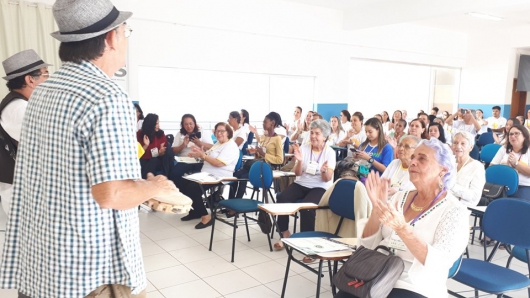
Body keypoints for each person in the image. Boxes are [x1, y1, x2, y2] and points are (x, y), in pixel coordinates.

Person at [0, 1, 182, 296]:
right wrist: (154, 186)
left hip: (43, 262)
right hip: (90, 271)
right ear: (111, 37)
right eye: (126, 31)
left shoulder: (45, 90)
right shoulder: (107, 97)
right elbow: (111, 194)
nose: (126, 38)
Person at [336, 138, 469, 298]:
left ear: (442, 170)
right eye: (413, 157)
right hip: (377, 274)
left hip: (415, 286)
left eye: (422, 158)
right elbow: (368, 245)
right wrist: (377, 207)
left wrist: (402, 228)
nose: (412, 162)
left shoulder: (455, 211)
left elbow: (439, 264)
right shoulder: (399, 197)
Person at [0, 50, 51, 217]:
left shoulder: (20, 105)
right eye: (45, 74)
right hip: (23, 193)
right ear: (30, 80)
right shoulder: (19, 109)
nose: (48, 80)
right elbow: (46, 144)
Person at [274, 119, 336, 250]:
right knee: (282, 198)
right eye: (312, 133)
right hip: (302, 183)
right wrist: (300, 161)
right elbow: (298, 173)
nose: (313, 136)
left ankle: (307, 242)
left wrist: (324, 171)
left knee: (306, 207)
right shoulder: (304, 148)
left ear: (324, 136)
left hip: (320, 187)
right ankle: (284, 233)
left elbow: (327, 179)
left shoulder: (330, 152)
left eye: (317, 133)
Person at [179, 122, 240, 228]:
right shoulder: (218, 144)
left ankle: (206, 217)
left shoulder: (231, 146)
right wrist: (199, 153)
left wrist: (203, 155)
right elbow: (207, 156)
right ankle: (196, 211)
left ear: (228, 132)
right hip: (207, 174)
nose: (219, 133)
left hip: (219, 176)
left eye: (222, 131)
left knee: (193, 188)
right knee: (182, 183)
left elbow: (218, 163)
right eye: (217, 131)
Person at [229, 112, 284, 198]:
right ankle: (231, 201)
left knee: (243, 177)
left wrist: (263, 154)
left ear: (272, 123)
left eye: (265, 122)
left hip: (267, 167)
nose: (263, 123)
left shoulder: (277, 139)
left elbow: (280, 160)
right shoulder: (263, 137)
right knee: (235, 175)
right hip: (258, 164)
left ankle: (236, 203)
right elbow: (260, 154)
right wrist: (255, 152)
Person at [171, 113, 213, 188]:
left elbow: (212, 147)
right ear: (183, 125)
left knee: (198, 176)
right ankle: (182, 193)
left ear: (195, 123)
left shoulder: (202, 132)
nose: (189, 126)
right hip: (185, 160)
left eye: (191, 124)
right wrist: (183, 145)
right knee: (174, 173)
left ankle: (193, 192)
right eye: (186, 124)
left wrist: (199, 143)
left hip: (199, 160)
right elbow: (173, 150)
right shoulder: (180, 134)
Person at [491, 124, 530, 199]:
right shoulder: (503, 149)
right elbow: (492, 167)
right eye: (511, 134)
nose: (513, 136)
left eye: (516, 133)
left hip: (523, 186)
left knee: (516, 205)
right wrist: (505, 166)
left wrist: (516, 164)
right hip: (502, 184)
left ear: (525, 136)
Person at [450, 131, 485, 207]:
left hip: (461, 207)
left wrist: (452, 186)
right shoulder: (448, 162)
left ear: (471, 147)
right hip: (442, 203)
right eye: (455, 143)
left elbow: (474, 197)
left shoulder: (477, 167)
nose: (458, 146)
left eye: (463, 143)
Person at [137, 113, 168, 178]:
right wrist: (146, 145)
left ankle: (144, 183)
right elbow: (137, 154)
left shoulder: (161, 134)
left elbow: (162, 154)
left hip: (157, 160)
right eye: (156, 124)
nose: (158, 126)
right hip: (143, 159)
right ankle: (147, 182)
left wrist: (160, 153)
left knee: (153, 160)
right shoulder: (139, 134)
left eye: (158, 123)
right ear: (150, 124)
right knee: (142, 162)